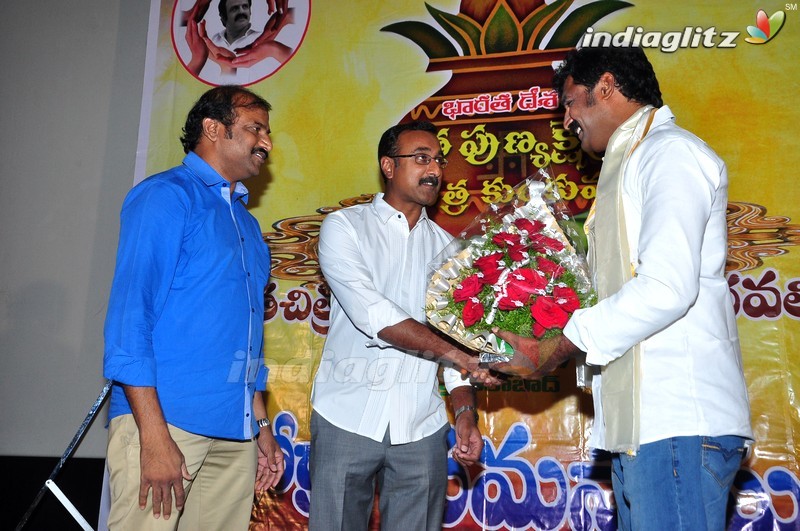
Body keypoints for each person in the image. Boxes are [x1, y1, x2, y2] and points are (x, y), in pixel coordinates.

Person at [489, 47, 753, 530]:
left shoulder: (668, 151)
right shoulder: (630, 159)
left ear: (605, 87)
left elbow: (667, 287)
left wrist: (558, 346)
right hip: (645, 426)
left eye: (571, 102)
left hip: (676, 421)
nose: (566, 118)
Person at [103, 85, 284, 530]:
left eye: (267, 131)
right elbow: (130, 319)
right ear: (212, 129)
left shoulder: (247, 223)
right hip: (167, 423)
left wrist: (260, 427)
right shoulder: (166, 196)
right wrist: (154, 435)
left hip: (234, 429)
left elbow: (247, 338)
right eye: (254, 128)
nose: (266, 142)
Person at [308, 121, 497, 530]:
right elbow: (372, 313)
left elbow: (452, 340)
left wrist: (465, 411)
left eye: (439, 161)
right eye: (421, 158)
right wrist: (457, 353)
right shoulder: (345, 227)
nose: (434, 170)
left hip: (421, 426)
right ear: (388, 166)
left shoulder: (449, 250)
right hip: (346, 416)